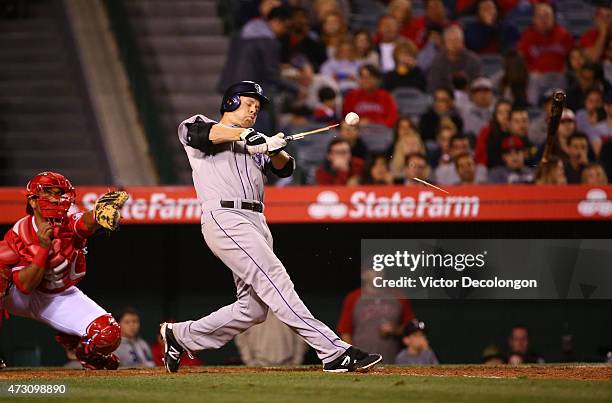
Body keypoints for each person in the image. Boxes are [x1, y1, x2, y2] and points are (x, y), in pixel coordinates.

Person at [164, 80, 382, 373]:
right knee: (276, 280)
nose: (254, 109)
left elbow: (284, 168)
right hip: (225, 216)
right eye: (248, 102)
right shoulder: (203, 125)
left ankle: (180, 336)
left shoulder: (255, 140)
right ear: (230, 102)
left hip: (256, 220)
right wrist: (249, 136)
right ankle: (332, 351)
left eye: (258, 106)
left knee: (251, 309)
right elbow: (199, 134)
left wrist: (275, 148)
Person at [0, 172, 128, 370]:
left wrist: (97, 214)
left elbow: (83, 223)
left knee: (108, 336)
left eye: (59, 193)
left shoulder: (68, 218)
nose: (56, 199)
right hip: (21, 296)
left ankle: (84, 351)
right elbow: (25, 286)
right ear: (33, 201)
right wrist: (43, 248)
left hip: (58, 295)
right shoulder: (20, 231)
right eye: (49, 194)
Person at [337, 269, 415, 364]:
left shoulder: (398, 296)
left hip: (392, 358)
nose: (378, 272)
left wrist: (395, 329)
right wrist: (353, 358)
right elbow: (345, 332)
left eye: (380, 269)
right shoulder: (353, 297)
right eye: (372, 269)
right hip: (362, 358)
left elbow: (412, 328)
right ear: (363, 274)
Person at [517, 3, 573, 105]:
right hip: (536, 77)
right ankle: (532, 108)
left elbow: (573, 57)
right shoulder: (527, 36)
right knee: (533, 79)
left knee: (562, 79)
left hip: (557, 76)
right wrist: (530, 71)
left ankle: (561, 109)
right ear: (534, 19)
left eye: (547, 16)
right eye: (540, 17)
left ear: (553, 18)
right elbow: (520, 60)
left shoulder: (563, 35)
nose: (544, 20)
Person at [234, 310, 308, 366]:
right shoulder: (251, 311)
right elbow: (241, 337)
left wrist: (297, 360)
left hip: (288, 364)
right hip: (259, 364)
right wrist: (249, 360)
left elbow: (301, 335)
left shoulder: (292, 310)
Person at [427, 25, 483, 93]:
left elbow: (478, 85)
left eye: (456, 40)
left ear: (462, 42)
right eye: (450, 41)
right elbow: (434, 86)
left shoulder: (473, 60)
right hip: (445, 98)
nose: (453, 44)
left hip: (469, 97)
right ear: (445, 43)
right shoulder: (437, 61)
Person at [282, 7, 327, 71]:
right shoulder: (281, 42)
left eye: (302, 17)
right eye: (295, 17)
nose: (299, 20)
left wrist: (305, 66)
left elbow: (322, 66)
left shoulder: (316, 44)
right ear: (289, 20)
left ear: (307, 20)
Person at [475, 99, 512, 168]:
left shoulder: (517, 131)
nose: (504, 116)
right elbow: (480, 155)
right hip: (491, 170)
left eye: (507, 112)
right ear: (495, 115)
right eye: (500, 112)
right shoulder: (486, 131)